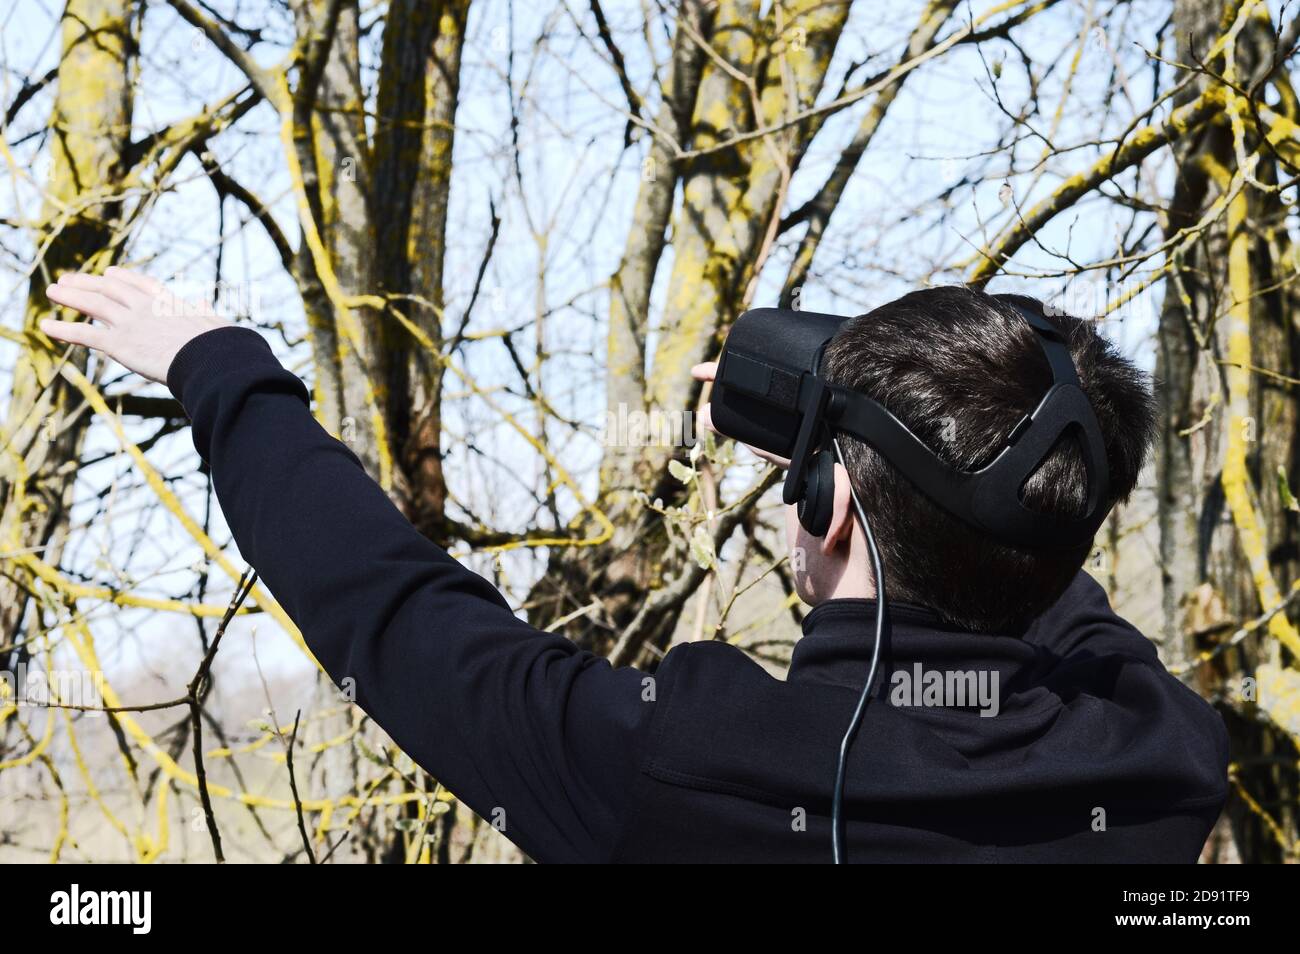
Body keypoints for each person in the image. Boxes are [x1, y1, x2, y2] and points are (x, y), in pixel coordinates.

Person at [41, 269, 1228, 863]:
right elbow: (1049, 592)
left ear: (821, 512)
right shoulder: (1159, 752)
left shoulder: (695, 776)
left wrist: (216, 365)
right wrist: (880, 458)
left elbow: (397, 613)